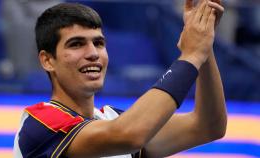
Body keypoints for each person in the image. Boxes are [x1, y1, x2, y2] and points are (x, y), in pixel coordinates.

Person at [13, 0, 227, 157]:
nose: (93, 53)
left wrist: (204, 43)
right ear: (47, 60)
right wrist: (191, 55)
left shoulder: (112, 119)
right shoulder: (41, 123)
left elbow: (208, 126)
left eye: (98, 43)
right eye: (76, 44)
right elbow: (129, 135)